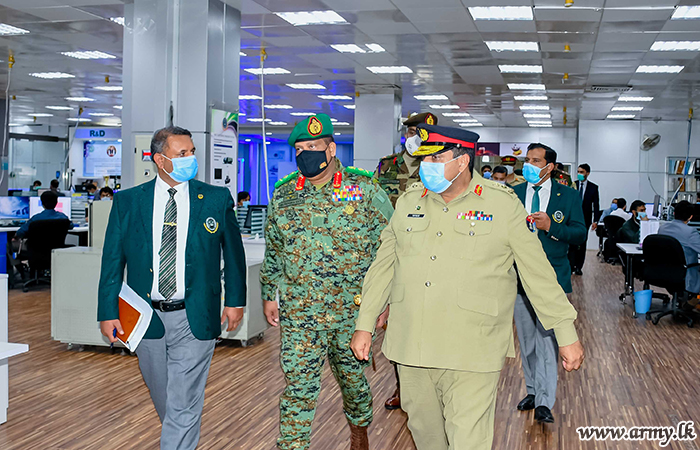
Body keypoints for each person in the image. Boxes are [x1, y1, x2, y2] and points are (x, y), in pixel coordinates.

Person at [350, 124, 584, 450]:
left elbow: (537, 273)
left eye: (435, 158)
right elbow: (383, 266)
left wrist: (565, 332)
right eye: (424, 159)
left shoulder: (502, 204)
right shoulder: (409, 202)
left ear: (462, 161)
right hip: (412, 345)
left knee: (468, 441)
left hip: (473, 347)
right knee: (427, 437)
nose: (426, 166)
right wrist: (364, 324)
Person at [97, 126, 247, 450]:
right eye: (182, 154)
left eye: (192, 152)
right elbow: (112, 262)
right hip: (145, 316)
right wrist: (107, 312)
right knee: (166, 397)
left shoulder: (215, 199)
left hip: (195, 315)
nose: (190, 158)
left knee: (183, 400)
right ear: (160, 160)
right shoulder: (128, 202)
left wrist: (235, 300)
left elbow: (235, 255)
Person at [260, 114, 392, 450]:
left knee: (353, 383)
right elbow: (274, 247)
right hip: (301, 314)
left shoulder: (364, 190)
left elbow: (391, 249)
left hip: (352, 313)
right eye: (299, 149)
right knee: (298, 388)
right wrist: (269, 293)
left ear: (331, 149)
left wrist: (385, 302)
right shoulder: (285, 194)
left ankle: (359, 430)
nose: (305, 154)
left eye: (313, 147)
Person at [513, 143, 587, 424]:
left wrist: (551, 227)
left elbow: (579, 234)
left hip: (553, 278)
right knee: (527, 341)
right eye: (527, 159)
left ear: (550, 166)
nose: (529, 165)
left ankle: (545, 401)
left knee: (547, 341)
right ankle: (532, 391)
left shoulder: (567, 196)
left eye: (536, 161)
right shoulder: (514, 193)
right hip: (519, 277)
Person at [374, 111, 436, 411]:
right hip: (394, 255)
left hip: (430, 256)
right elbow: (373, 206)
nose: (417, 139)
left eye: (423, 134)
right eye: (414, 132)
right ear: (406, 134)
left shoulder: (438, 165)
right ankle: (403, 386)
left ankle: (432, 388)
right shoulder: (387, 166)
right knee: (398, 326)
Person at [375, 112, 437, 207]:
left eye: (421, 135)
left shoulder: (435, 168)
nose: (416, 139)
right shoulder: (386, 164)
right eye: (412, 133)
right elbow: (372, 194)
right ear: (406, 134)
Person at [659, 201, 700, 302]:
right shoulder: (690, 232)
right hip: (685, 273)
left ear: (674, 213)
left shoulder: (662, 228)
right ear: (690, 217)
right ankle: (692, 302)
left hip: (663, 271)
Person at [569, 163, 599, 276]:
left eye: (582, 172)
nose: (579, 174)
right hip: (572, 218)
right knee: (572, 242)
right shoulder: (573, 185)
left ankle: (579, 267)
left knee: (582, 243)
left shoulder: (593, 187)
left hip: (585, 219)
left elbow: (596, 205)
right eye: (578, 172)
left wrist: (595, 220)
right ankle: (571, 265)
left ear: (587, 173)